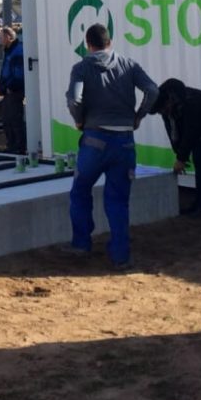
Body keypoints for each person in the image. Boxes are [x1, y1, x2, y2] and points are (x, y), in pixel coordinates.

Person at [63, 22, 158, 270]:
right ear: (110, 41)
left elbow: (74, 99)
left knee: (80, 191)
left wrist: (79, 120)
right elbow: (152, 90)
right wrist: (138, 116)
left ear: (88, 44)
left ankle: (81, 243)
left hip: (94, 140)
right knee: (117, 200)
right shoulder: (129, 65)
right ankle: (120, 256)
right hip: (125, 141)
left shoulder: (82, 67)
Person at [146, 78, 201, 217]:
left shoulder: (190, 102)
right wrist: (179, 154)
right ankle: (199, 204)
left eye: (162, 109)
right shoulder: (167, 108)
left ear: (169, 101)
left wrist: (181, 159)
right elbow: (173, 134)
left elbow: (190, 131)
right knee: (200, 164)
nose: (162, 112)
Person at [0, 26, 26, 154]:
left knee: (15, 119)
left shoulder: (17, 51)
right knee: (6, 119)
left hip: (14, 91)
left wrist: (10, 86)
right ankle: (11, 145)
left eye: (1, 37)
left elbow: (18, 73)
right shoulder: (8, 51)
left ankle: (19, 147)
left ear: (9, 37)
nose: (0, 40)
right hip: (8, 90)